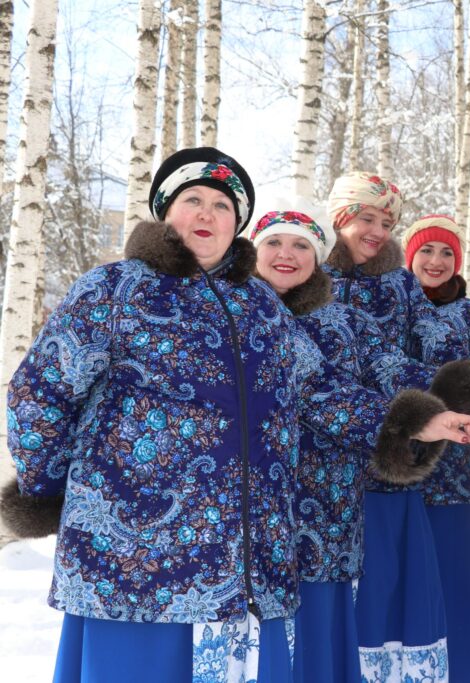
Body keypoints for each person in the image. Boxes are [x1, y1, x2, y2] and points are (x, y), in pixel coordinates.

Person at [1, 147, 375, 682]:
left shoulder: (262, 305)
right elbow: (40, 396)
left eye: (222, 205)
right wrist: (52, 491)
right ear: (165, 213)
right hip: (136, 568)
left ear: (237, 223)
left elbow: (319, 392)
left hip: (249, 570)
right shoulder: (113, 290)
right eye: (192, 199)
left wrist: (426, 422)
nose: (206, 213)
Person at [248, 199, 470, 683]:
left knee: (323, 639)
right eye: (274, 242)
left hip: (328, 507)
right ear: (253, 249)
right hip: (253, 507)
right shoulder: (235, 310)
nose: (286, 254)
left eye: (300, 245)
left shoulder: (340, 319)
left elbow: (387, 367)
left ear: (317, 256)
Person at [323, 172, 466, 680]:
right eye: (366, 218)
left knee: (390, 579)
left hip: (394, 448)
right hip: (326, 458)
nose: (378, 230)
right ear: (339, 217)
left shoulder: (399, 281)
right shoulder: (308, 271)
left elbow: (412, 346)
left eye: (387, 221)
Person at [402, 214, 470, 681]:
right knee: (409, 591)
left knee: (463, 592)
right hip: (400, 473)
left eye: (447, 252)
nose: (437, 261)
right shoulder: (392, 309)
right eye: (426, 250)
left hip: (459, 474)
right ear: (409, 256)